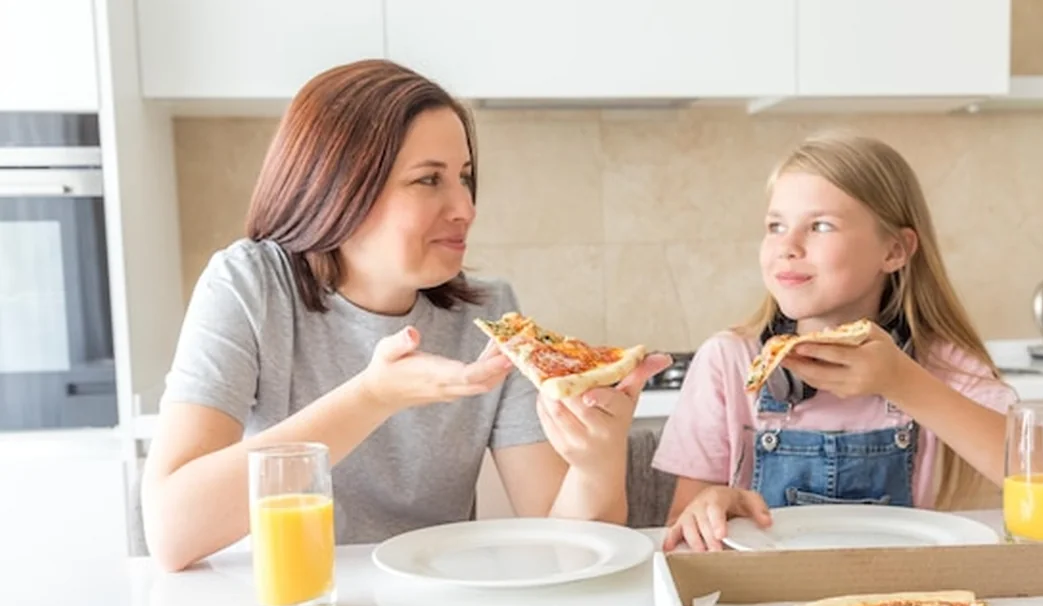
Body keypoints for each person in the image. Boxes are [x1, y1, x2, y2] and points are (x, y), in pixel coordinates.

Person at [141, 59, 668, 571]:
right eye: (427, 180)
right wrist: (373, 397)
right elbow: (171, 532)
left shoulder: (488, 316)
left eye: (464, 177)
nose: (465, 207)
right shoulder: (251, 286)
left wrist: (596, 463)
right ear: (341, 186)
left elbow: (567, 549)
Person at [655, 131, 1015, 552]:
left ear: (895, 251)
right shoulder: (729, 361)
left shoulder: (937, 362)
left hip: (903, 600)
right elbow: (682, 528)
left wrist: (903, 382)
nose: (787, 246)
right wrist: (714, 503)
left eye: (821, 225)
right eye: (775, 226)